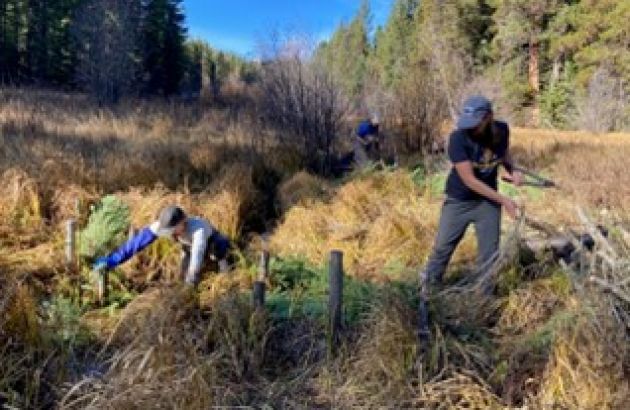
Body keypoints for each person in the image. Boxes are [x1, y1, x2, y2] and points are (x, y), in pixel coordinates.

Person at [418, 95, 522, 336]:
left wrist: (512, 170)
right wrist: (505, 200)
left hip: (487, 203)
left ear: (488, 117)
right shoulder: (457, 139)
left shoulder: (501, 130)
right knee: (443, 248)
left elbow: (503, 154)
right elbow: (469, 180)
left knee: (489, 256)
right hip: (459, 202)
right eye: (468, 121)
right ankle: (427, 296)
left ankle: (485, 307)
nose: (471, 127)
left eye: (476, 122)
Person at [92, 205, 231, 286]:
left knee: (217, 251)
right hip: (189, 247)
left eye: (172, 230)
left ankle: (225, 271)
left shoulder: (198, 230)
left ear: (183, 223)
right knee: (182, 276)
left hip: (212, 243)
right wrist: (113, 260)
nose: (169, 233)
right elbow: (137, 243)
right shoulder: (165, 226)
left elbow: (198, 254)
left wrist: (192, 276)